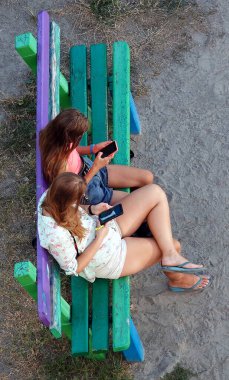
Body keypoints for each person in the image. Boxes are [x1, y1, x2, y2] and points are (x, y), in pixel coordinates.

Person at [38, 172, 210, 292]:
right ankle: (177, 278)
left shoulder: (50, 197)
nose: (80, 201)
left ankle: (170, 257)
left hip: (104, 226)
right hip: (107, 257)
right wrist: (99, 239)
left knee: (155, 193)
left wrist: (91, 209)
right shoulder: (55, 236)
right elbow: (73, 268)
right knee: (173, 244)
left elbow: (76, 208)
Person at [39, 109, 153, 206]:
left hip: (91, 169)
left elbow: (72, 150)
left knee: (147, 177)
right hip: (86, 190)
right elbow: (70, 193)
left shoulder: (56, 136)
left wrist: (93, 149)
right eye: (79, 136)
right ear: (69, 138)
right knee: (144, 201)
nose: (81, 137)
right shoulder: (58, 165)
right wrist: (95, 167)